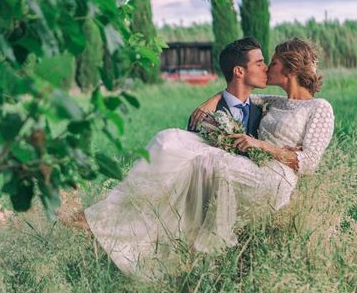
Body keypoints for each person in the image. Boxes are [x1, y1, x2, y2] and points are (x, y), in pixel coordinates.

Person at [70, 38, 335, 279]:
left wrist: (264, 146)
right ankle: (114, 222)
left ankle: (203, 249)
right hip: (253, 168)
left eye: (273, 62)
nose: (268, 67)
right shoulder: (275, 102)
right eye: (264, 62)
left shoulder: (320, 108)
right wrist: (211, 100)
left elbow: (310, 163)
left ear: (289, 69)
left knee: (210, 162)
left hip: (274, 180)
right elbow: (240, 93)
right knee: (170, 141)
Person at [187, 37, 266, 137]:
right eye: (259, 64)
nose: (266, 68)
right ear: (239, 71)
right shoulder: (203, 116)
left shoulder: (263, 114)